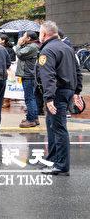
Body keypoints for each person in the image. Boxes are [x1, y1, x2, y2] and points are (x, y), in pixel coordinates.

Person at [37, 22, 84, 176]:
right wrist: (77, 90)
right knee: (52, 127)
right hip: (67, 91)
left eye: (40, 33)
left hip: (57, 93)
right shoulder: (68, 48)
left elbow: (48, 75)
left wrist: (49, 98)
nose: (39, 36)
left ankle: (61, 166)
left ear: (44, 34)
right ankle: (52, 159)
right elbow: (78, 71)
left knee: (58, 128)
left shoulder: (48, 50)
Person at [14, 31, 41, 128]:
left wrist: (18, 44)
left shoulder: (32, 47)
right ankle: (34, 117)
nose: (22, 37)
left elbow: (20, 54)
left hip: (28, 75)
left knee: (29, 98)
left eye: (24, 36)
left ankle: (31, 120)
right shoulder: (31, 46)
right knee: (31, 97)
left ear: (29, 38)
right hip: (28, 74)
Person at [0, 34, 16, 109]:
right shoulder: (1, 48)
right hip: (3, 70)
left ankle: (6, 101)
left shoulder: (8, 49)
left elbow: (11, 60)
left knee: (8, 85)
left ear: (3, 41)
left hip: (8, 70)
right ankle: (3, 100)